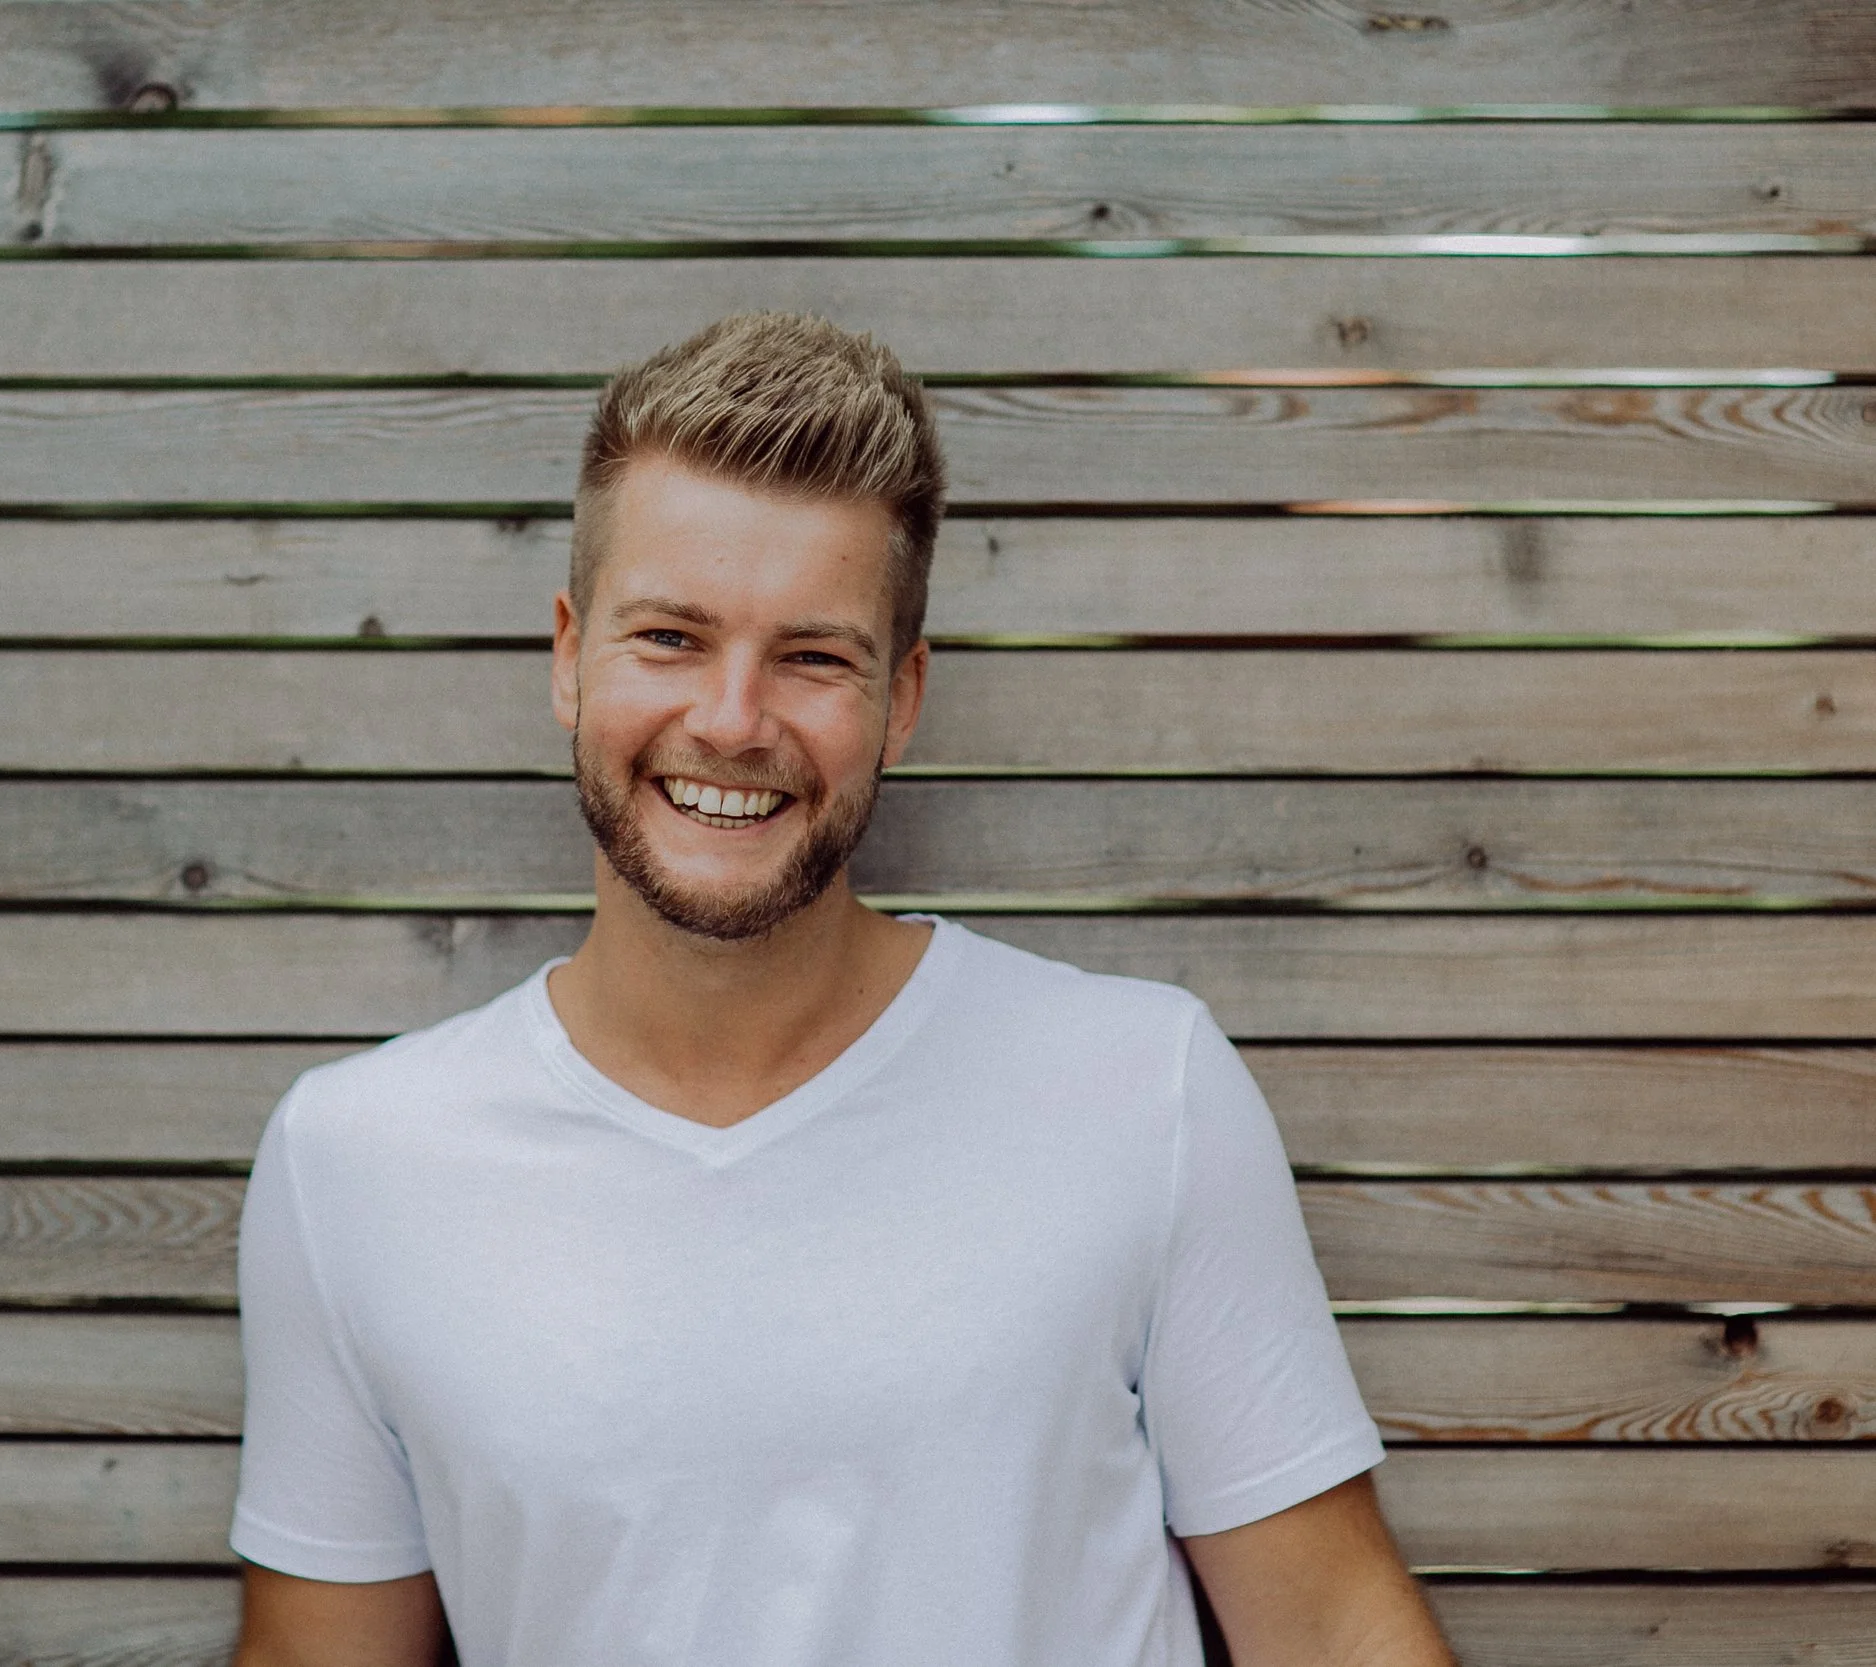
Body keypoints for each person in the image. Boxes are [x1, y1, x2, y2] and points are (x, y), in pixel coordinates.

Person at [227, 314, 1457, 1667]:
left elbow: (1338, 1629)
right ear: (569, 656)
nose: (735, 719)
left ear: (902, 698)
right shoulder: (355, 1163)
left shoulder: (1141, 1091)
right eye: (671, 638)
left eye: (813, 657)